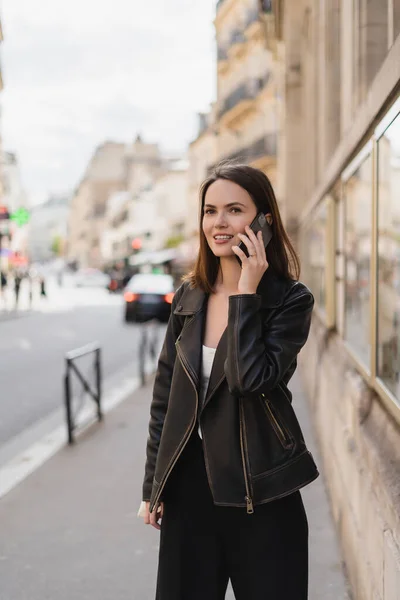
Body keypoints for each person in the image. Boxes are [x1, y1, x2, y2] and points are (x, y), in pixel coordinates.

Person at [139, 163, 319, 600]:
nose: (218, 222)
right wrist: (153, 486)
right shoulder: (188, 296)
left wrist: (245, 295)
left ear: (263, 221)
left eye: (234, 210)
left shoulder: (289, 300)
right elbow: (167, 397)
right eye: (210, 210)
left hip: (261, 491)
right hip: (188, 490)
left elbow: (248, 379)